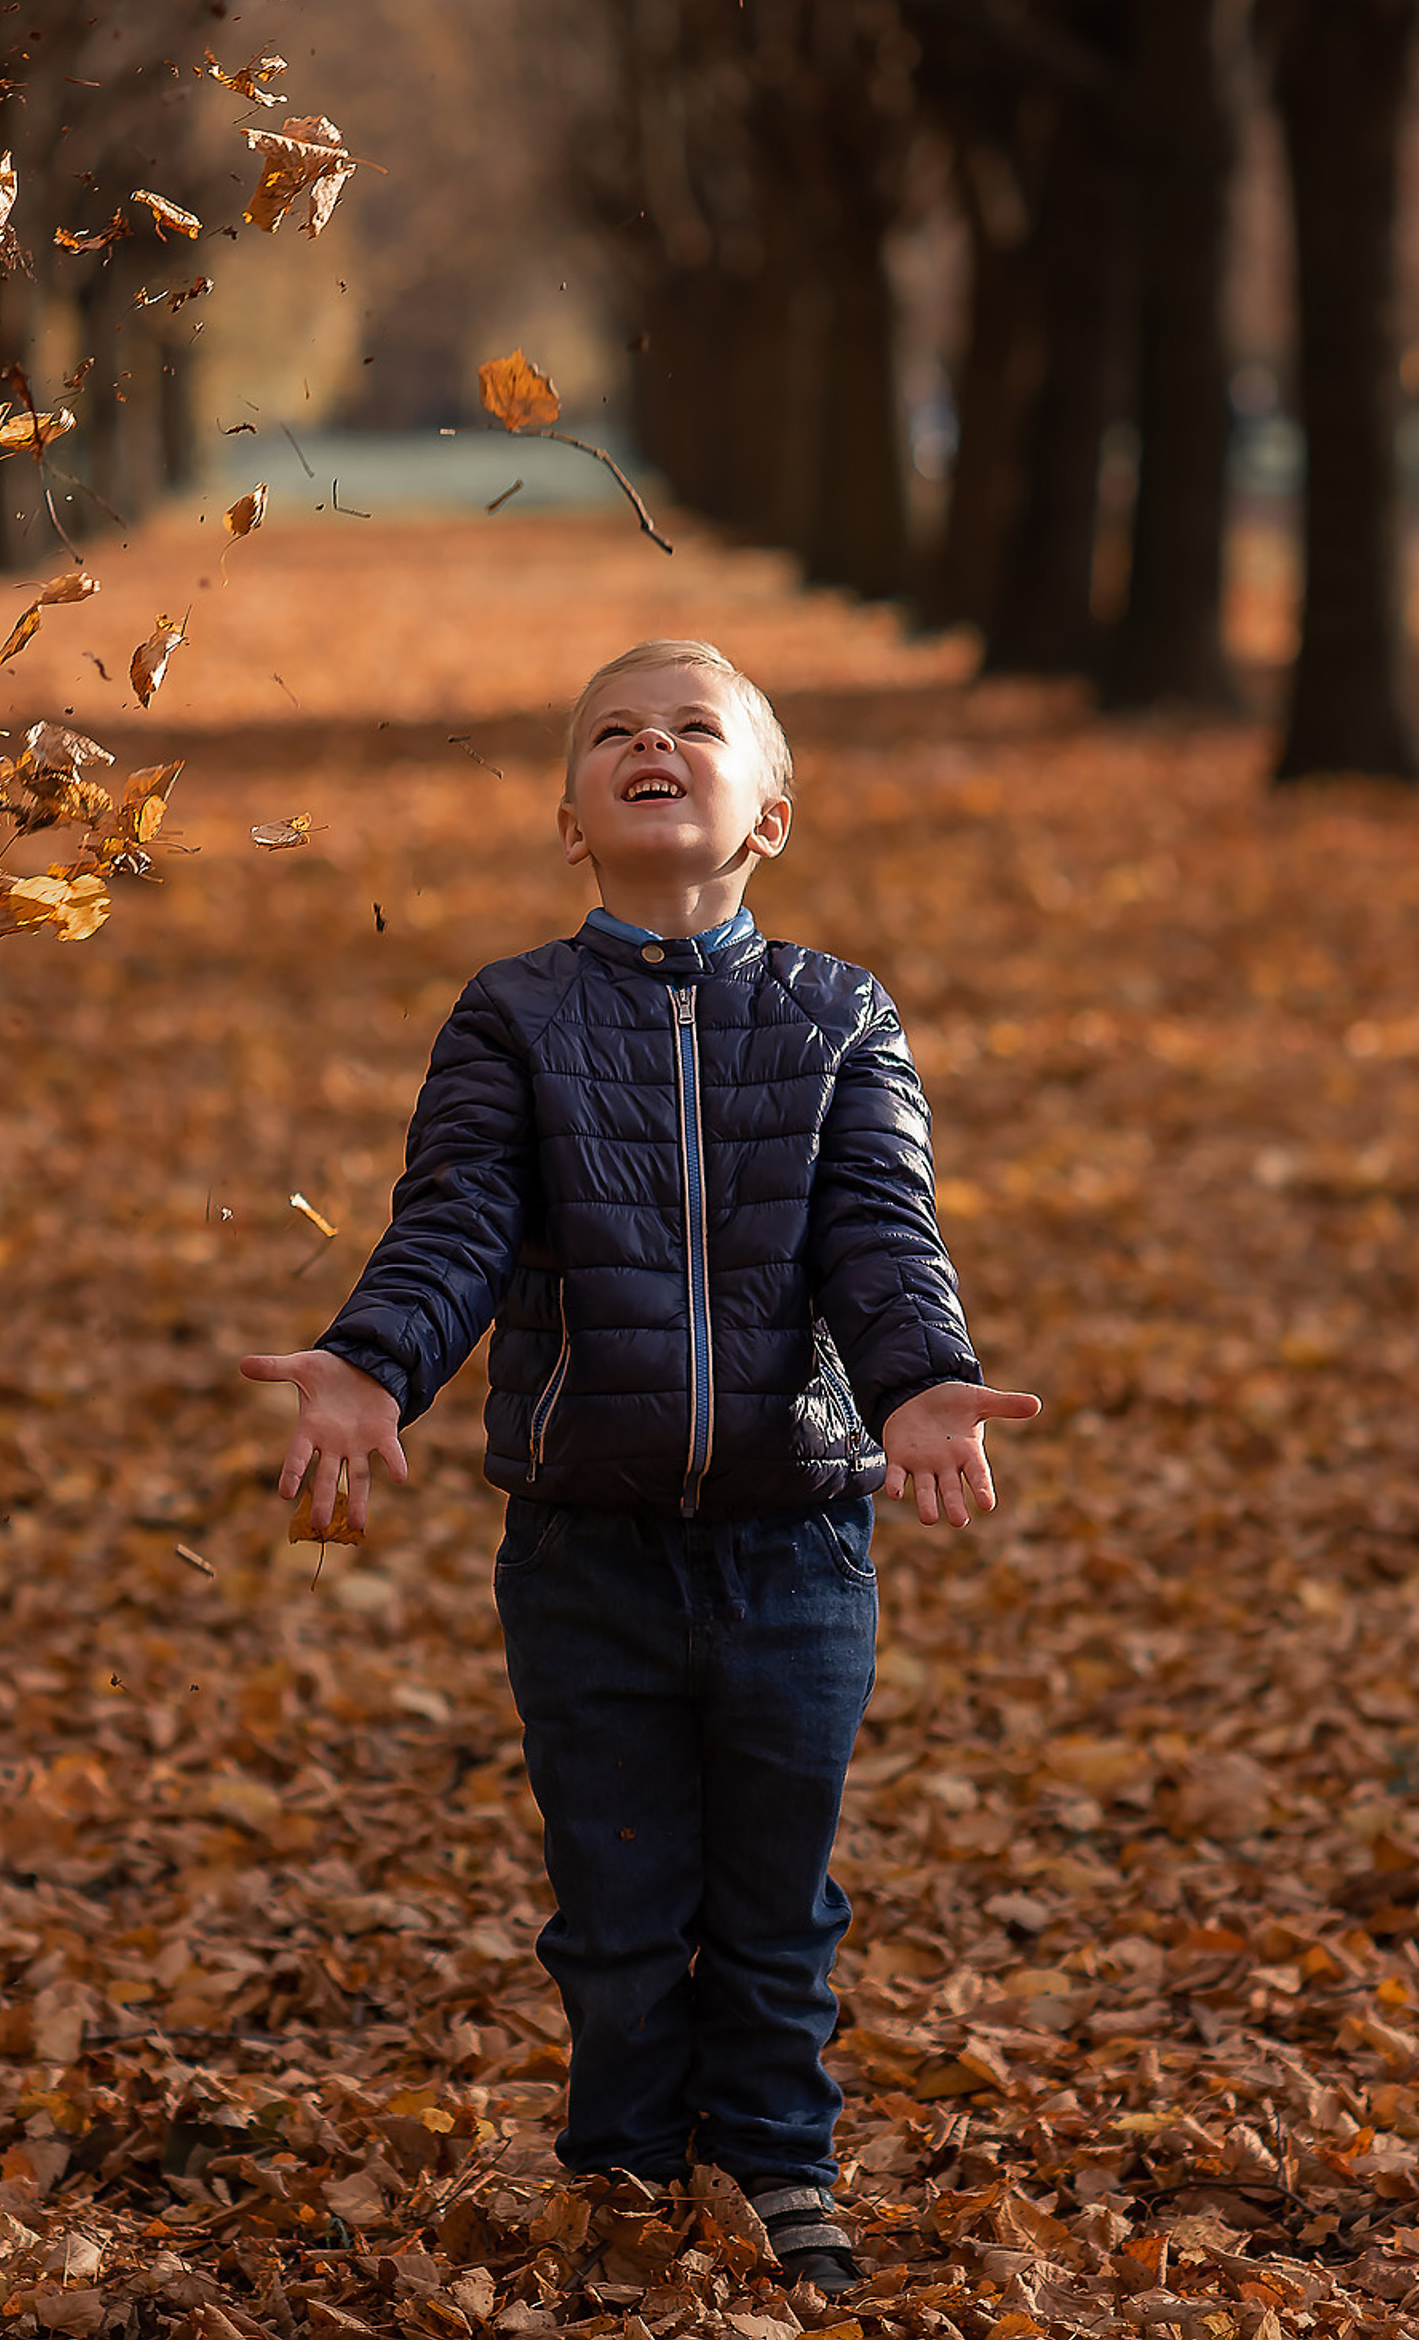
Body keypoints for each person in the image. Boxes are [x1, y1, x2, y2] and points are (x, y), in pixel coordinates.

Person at [239, 638, 1037, 2293]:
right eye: (614, 732)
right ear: (570, 817)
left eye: (692, 728)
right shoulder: (515, 1014)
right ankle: (620, 2167)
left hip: (795, 1544)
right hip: (584, 1550)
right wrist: (372, 1362)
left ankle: (775, 2163)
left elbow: (878, 1237)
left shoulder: (836, 1016)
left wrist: (920, 1385)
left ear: (771, 817)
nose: (649, 745)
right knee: (613, 1905)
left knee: (772, 1899)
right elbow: (456, 1222)